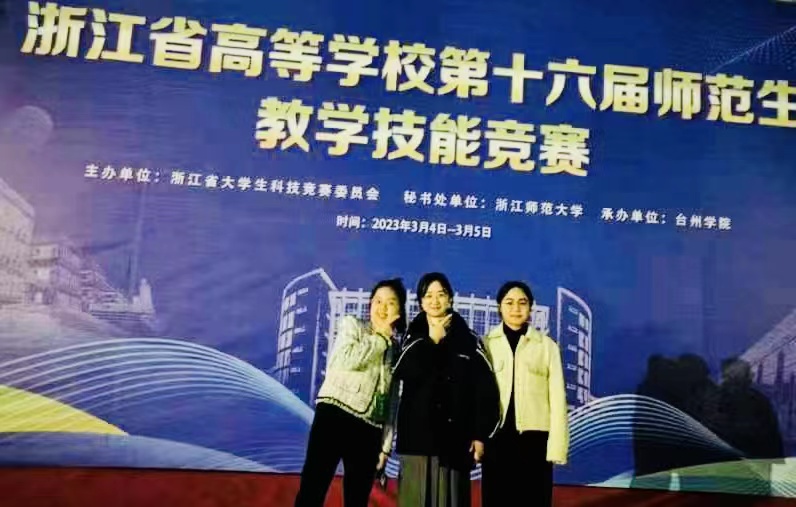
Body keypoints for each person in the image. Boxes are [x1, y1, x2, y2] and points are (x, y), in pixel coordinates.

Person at [389, 272, 500, 507]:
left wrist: (480, 435)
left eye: (440, 294)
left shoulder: (469, 339)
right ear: (421, 302)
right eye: (428, 296)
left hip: (456, 441)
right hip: (417, 441)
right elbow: (402, 371)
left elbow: (485, 391)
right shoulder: (412, 336)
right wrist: (431, 341)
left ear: (450, 298)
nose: (435, 301)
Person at [294, 278, 407, 507]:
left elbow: (392, 402)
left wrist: (385, 448)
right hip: (334, 416)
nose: (383, 308)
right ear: (370, 305)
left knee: (357, 499)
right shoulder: (352, 326)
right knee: (312, 490)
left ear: (400, 310)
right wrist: (380, 338)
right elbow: (343, 361)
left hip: (369, 429)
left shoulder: (397, 350)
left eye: (390, 302)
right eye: (378, 301)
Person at [481, 281, 569, 507]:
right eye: (509, 303)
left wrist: (557, 446)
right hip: (496, 439)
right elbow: (476, 396)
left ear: (531, 307)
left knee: (534, 499)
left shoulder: (546, 346)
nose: (516, 308)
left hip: (534, 441)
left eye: (522, 303)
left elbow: (558, 400)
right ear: (499, 307)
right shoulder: (486, 344)